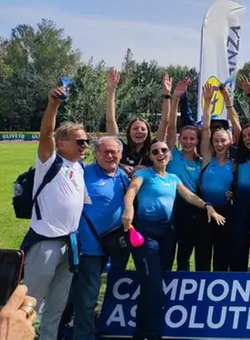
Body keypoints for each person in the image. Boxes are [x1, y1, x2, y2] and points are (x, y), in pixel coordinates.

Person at [121, 140, 225, 340]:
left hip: (167, 234)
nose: (160, 153)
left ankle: (140, 333)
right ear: (150, 156)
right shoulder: (144, 174)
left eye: (164, 150)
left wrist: (207, 206)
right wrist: (129, 207)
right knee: (154, 285)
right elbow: (132, 189)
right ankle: (153, 334)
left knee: (151, 284)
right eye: (155, 151)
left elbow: (190, 196)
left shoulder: (173, 178)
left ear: (169, 154)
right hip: (146, 234)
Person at [19, 86, 88, 340]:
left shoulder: (79, 167)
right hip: (44, 246)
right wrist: (54, 105)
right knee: (28, 304)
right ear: (61, 144)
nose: (84, 145)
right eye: (79, 141)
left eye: (86, 141)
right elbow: (46, 132)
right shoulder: (50, 161)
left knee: (56, 307)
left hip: (69, 246)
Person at [71, 137, 130, 340]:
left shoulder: (123, 176)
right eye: (104, 151)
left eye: (114, 152)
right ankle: (83, 335)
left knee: (112, 291)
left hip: (116, 246)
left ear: (121, 155)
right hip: (89, 246)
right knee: (88, 296)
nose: (109, 155)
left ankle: (103, 327)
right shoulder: (83, 173)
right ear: (96, 153)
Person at [195, 83, 237, 272]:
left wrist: (233, 194)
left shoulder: (234, 163)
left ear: (230, 141)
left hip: (226, 212)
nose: (219, 144)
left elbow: (238, 187)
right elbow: (205, 129)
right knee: (203, 254)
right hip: (205, 211)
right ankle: (200, 287)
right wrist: (207, 101)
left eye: (223, 140)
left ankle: (219, 287)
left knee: (223, 254)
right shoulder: (207, 158)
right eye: (216, 141)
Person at [163, 78, 202, 271]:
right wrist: (175, 98)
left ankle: (183, 295)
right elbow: (170, 126)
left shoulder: (201, 162)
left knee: (184, 258)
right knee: (167, 254)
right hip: (171, 208)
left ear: (197, 141)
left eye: (191, 139)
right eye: (184, 138)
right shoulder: (172, 154)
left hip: (191, 212)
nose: (187, 141)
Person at [105, 69, 169, 176]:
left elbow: (165, 122)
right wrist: (111, 90)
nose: (139, 131)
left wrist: (167, 95)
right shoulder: (121, 148)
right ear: (129, 132)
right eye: (135, 128)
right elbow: (110, 120)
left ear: (148, 132)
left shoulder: (154, 149)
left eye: (143, 129)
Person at [229, 77, 250, 272]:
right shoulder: (238, 154)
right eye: (245, 136)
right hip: (242, 203)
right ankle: (238, 274)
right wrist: (227, 100)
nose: (249, 138)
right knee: (240, 243)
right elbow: (235, 123)